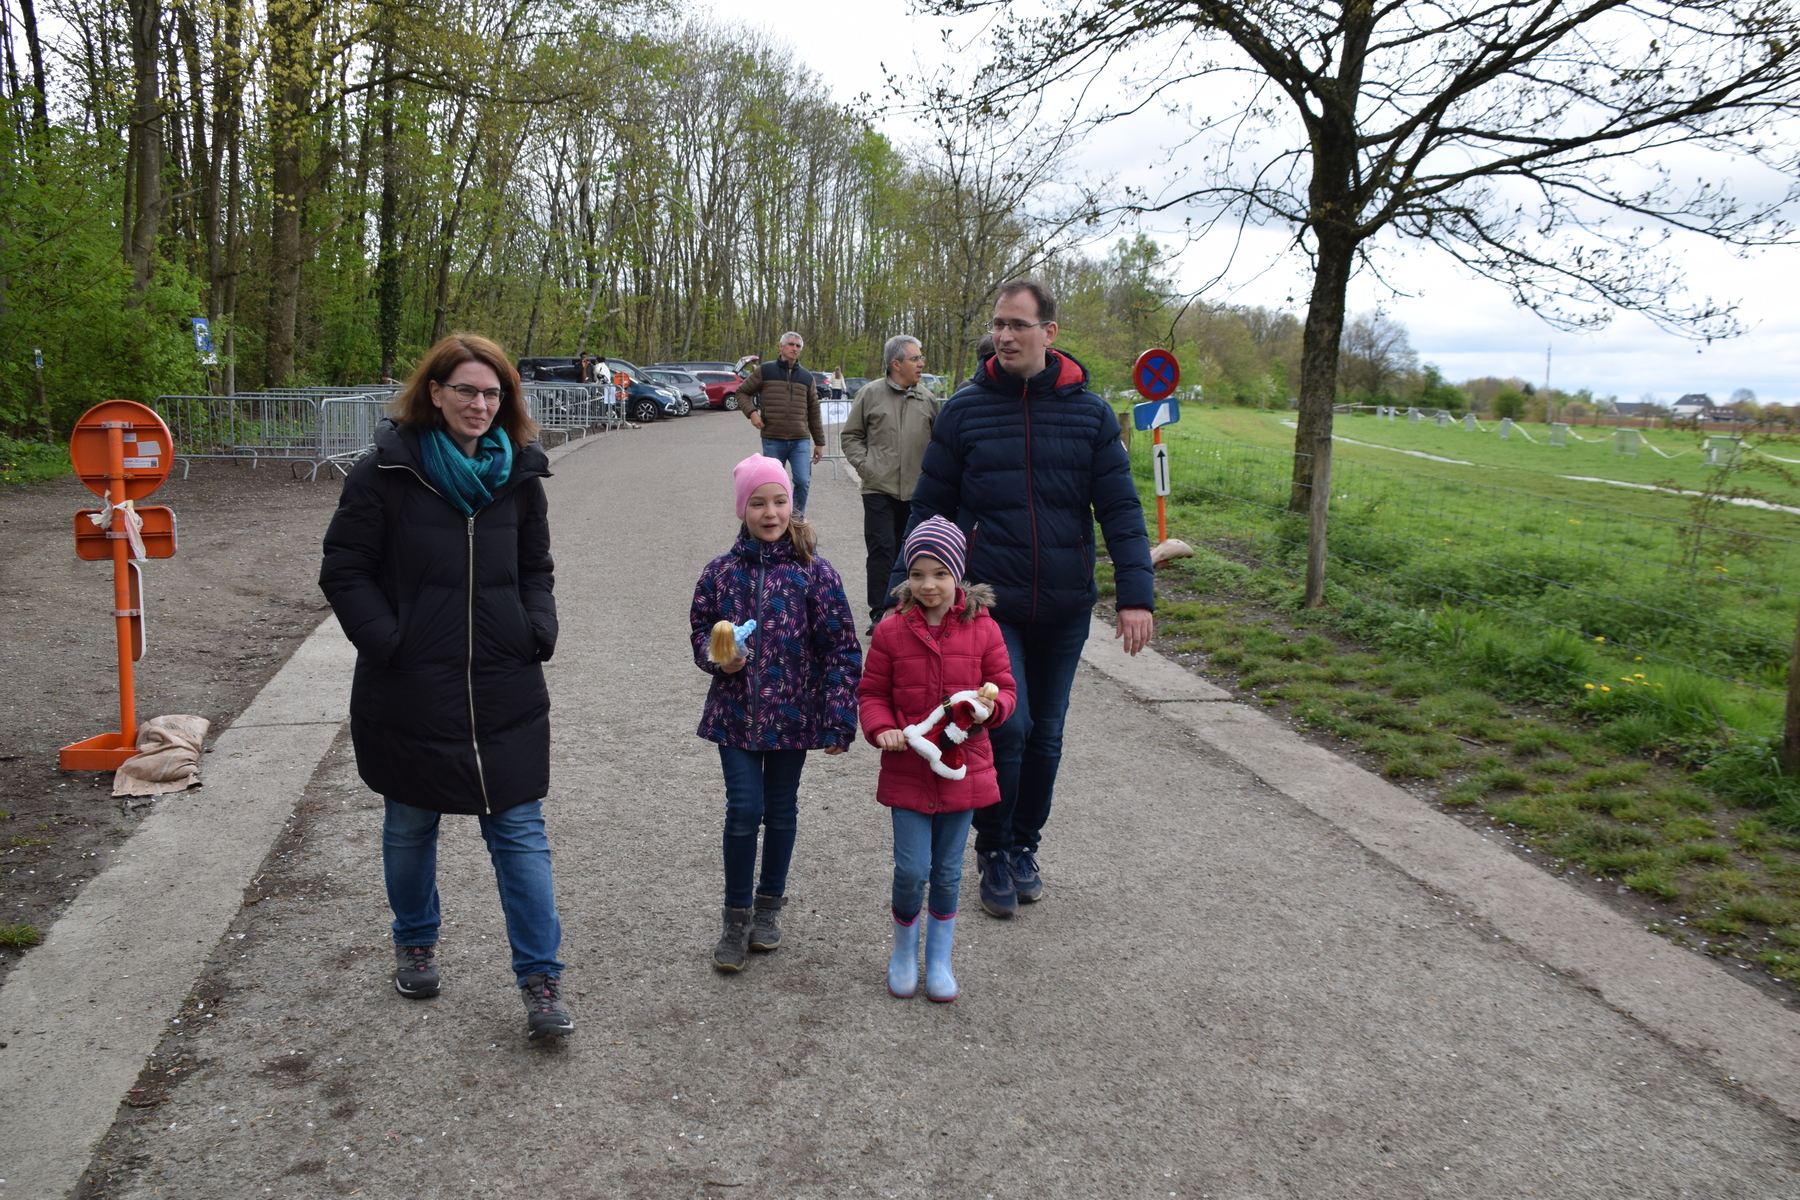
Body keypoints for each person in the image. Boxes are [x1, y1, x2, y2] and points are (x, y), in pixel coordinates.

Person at [319, 333, 573, 1041]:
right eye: (466, 390)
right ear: (434, 392)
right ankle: (415, 941)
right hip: (411, 686)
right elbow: (344, 569)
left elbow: (536, 567)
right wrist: (390, 642)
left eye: (493, 393)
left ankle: (541, 979)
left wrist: (537, 628)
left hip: (503, 683)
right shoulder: (384, 473)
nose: (480, 404)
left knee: (519, 830)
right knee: (410, 822)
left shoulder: (518, 474)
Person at [887, 278, 1155, 920]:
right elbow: (930, 506)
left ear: (1048, 333)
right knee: (1010, 725)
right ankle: (994, 848)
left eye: (1018, 325)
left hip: (1065, 605)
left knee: (1047, 737)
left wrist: (1136, 595)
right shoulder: (965, 411)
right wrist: (903, 589)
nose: (1004, 336)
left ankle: (1024, 847)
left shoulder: (1090, 415)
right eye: (998, 324)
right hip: (989, 605)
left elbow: (1120, 509)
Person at [690, 453, 862, 971]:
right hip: (735, 714)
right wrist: (719, 658)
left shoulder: (815, 572)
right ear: (741, 509)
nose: (770, 513)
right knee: (745, 809)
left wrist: (838, 717)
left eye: (780, 501)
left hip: (794, 715)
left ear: (792, 504)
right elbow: (701, 631)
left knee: (782, 810)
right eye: (758, 503)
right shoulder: (720, 573)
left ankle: (768, 908)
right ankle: (735, 916)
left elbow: (841, 647)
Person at [858, 518, 1015, 1002]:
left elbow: (1005, 688)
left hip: (962, 768)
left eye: (940, 573)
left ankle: (940, 959)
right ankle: (904, 951)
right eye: (918, 574)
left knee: (947, 871)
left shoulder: (984, 630)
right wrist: (882, 729)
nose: (928, 585)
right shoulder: (890, 631)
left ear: (958, 574)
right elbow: (872, 693)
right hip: (908, 767)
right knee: (911, 870)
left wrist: (992, 709)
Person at [841, 335, 941, 630]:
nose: (921, 363)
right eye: (915, 358)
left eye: (921, 358)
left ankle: (908, 610)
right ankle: (880, 613)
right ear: (896, 364)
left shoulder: (927, 399)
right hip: (878, 489)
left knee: (912, 552)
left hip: (916, 492)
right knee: (882, 551)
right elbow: (851, 436)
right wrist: (866, 467)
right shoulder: (870, 394)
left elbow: (939, 444)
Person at [737, 332, 823, 513]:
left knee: (803, 481)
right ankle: (778, 518)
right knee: (773, 483)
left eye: (798, 346)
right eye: (791, 344)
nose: (794, 348)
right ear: (781, 346)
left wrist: (819, 442)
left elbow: (814, 411)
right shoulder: (765, 371)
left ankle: (796, 518)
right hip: (773, 438)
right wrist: (752, 413)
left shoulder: (807, 377)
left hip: (800, 439)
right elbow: (742, 392)